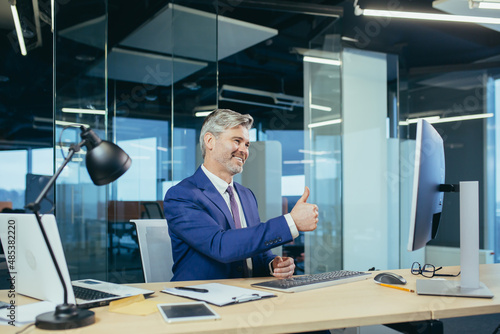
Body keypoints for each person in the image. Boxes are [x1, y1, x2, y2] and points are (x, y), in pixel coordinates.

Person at [163, 109, 319, 281]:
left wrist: (272, 264)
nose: (243, 150)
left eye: (247, 145)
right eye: (237, 141)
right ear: (210, 141)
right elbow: (220, 246)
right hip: (200, 300)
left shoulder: (246, 195)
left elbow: (254, 247)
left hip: (249, 296)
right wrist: (291, 222)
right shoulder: (181, 196)